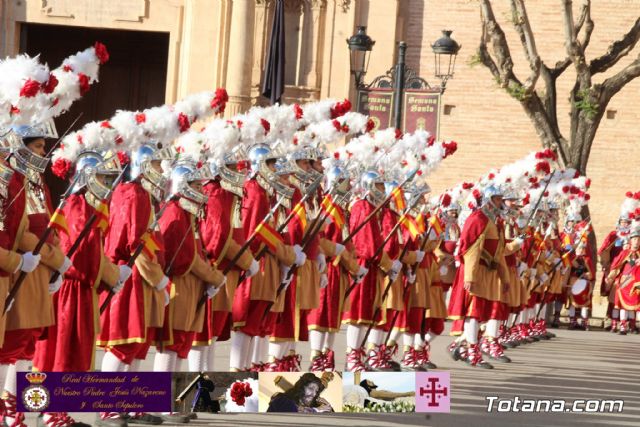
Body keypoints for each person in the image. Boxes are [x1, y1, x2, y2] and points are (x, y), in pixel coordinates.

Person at [448, 186, 510, 369]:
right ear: (488, 199)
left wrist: (504, 277)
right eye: (497, 199)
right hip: (474, 272)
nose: (500, 202)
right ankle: (473, 351)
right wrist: (470, 276)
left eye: (500, 199)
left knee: (480, 313)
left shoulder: (495, 222)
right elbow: (470, 250)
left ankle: (465, 347)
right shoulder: (478, 218)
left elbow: (498, 253)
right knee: (473, 312)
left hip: (486, 273)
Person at [267, 373, 333, 413]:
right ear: (301, 386)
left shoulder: (304, 408)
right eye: (311, 388)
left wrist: (329, 409)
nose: (314, 394)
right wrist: (317, 410)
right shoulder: (282, 400)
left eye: (316, 391)